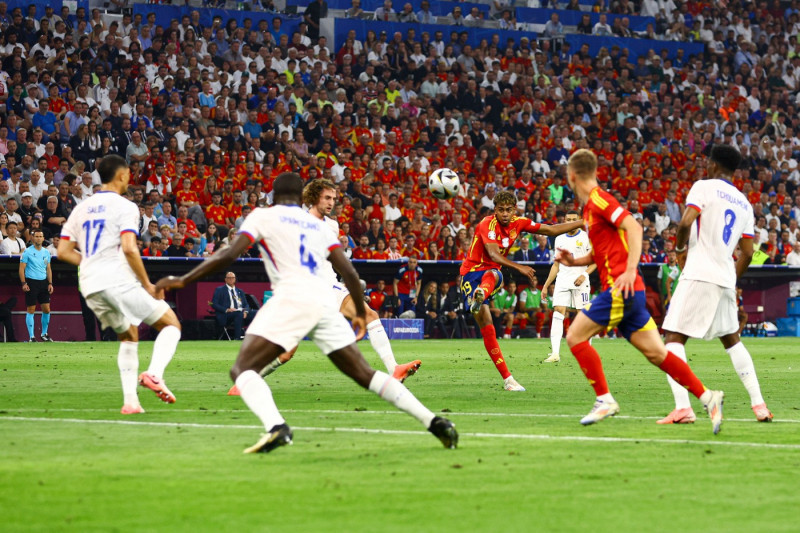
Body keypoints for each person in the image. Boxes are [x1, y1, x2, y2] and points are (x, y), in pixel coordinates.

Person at [155, 173, 457, 453]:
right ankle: (435, 422)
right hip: (323, 301)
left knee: (241, 370)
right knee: (364, 374)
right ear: (303, 196)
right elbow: (349, 271)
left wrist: (183, 279)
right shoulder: (317, 226)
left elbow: (230, 253)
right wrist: (360, 311)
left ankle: (276, 426)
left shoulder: (263, 215)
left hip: (290, 298)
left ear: (274, 194)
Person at [556, 149, 724, 433]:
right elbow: (602, 252)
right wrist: (576, 261)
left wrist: (632, 268)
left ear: (571, 176)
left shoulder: (599, 200)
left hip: (622, 288)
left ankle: (604, 399)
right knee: (657, 354)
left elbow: (633, 226)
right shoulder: (589, 209)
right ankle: (708, 397)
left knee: (574, 336)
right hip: (629, 291)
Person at [238, 179, 422, 391]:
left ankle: (394, 369)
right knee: (286, 353)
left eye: (334, 198)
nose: (331, 202)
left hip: (330, 286)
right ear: (313, 198)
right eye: (327, 197)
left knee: (370, 315)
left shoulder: (332, 225)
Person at [57, 155, 182, 414]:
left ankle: (131, 403)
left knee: (128, 334)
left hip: (90, 285)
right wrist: (147, 284)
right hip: (115, 278)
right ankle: (155, 374)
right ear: (122, 175)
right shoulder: (126, 207)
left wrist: (90, 262)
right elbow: (129, 248)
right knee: (171, 324)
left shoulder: (81, 208)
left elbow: (62, 252)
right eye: (128, 173)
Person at [659, 145, 772, 424]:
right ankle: (759, 405)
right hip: (724, 277)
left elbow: (685, 222)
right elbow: (747, 251)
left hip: (699, 272)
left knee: (672, 339)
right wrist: (732, 278)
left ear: (711, 165)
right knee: (732, 340)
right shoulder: (744, 203)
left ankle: (683, 408)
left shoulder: (703, 186)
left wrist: (680, 249)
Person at [460, 189, 584, 391]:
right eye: (501, 210)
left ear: (514, 209)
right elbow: (492, 254)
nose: (505, 214)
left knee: (488, 325)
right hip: (471, 274)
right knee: (496, 273)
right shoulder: (486, 224)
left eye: (509, 210)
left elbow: (551, 230)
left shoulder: (520, 223)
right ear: (495, 210)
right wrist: (519, 267)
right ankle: (480, 294)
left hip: (487, 277)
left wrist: (583, 222)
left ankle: (508, 379)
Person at [541, 210, 595, 362]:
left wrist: (584, 275)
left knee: (583, 315)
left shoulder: (586, 238)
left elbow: (595, 260)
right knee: (558, 311)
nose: (571, 222)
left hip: (581, 281)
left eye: (574, 220)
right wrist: (546, 285)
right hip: (562, 280)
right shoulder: (559, 239)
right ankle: (555, 354)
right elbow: (556, 265)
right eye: (568, 219)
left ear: (579, 220)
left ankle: (587, 352)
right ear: (564, 220)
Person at [19, 230, 53, 341]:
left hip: (43, 283)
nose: (38, 238)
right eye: (36, 236)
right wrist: (24, 283)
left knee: (46, 309)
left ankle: (44, 334)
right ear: (33, 238)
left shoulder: (46, 252)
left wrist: (50, 283)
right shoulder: (27, 252)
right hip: (31, 282)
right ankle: (31, 336)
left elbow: (48, 269)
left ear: (43, 238)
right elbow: (21, 268)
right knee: (31, 309)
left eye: (40, 236)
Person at [212, 272, 251, 339]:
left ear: (235, 279)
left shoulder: (240, 291)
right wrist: (227, 309)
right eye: (229, 278)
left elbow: (246, 304)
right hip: (227, 315)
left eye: (232, 278)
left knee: (258, 313)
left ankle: (257, 339)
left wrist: (246, 312)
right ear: (225, 279)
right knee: (238, 314)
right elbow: (214, 304)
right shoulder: (219, 290)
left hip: (241, 312)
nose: (231, 279)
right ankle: (237, 338)